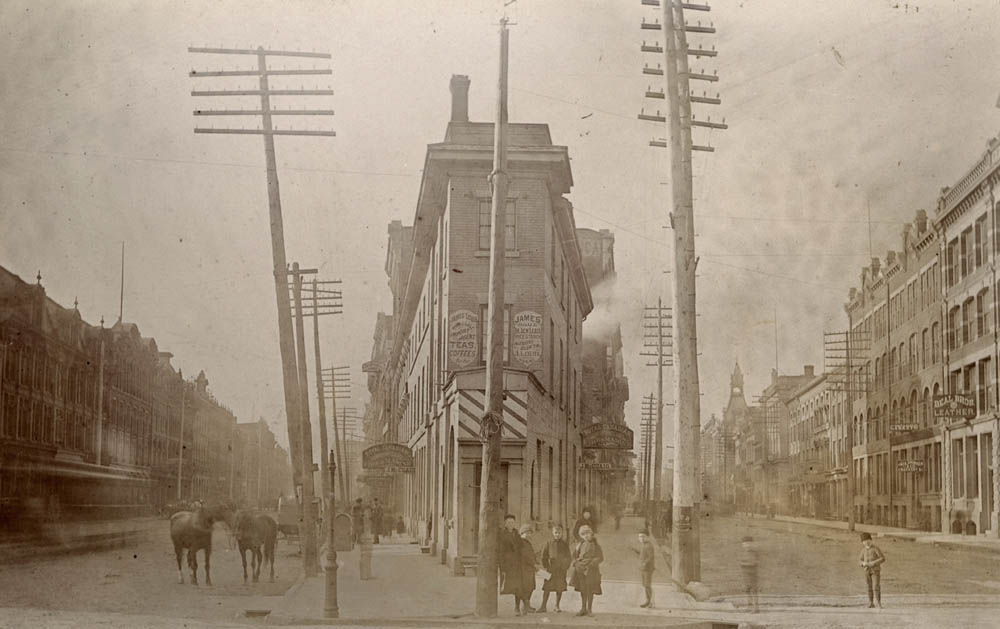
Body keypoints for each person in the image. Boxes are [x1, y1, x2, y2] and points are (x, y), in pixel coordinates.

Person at [570, 524, 603, 617]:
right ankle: (583, 608)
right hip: (580, 569)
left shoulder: (596, 546)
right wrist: (575, 563)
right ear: (581, 536)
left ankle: (589, 609)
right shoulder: (579, 545)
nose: (586, 536)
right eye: (583, 534)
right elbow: (574, 556)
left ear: (591, 534)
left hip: (591, 570)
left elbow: (600, 557)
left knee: (590, 589)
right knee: (582, 589)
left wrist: (593, 562)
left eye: (588, 533)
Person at [539, 525, 571, 613]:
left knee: (559, 588)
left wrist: (565, 566)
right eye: (556, 533)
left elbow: (568, 557)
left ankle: (557, 606)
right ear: (553, 533)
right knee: (547, 588)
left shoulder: (564, 544)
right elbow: (543, 556)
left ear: (562, 533)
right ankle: (543, 606)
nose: (557, 534)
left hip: (561, 570)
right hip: (551, 569)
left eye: (559, 533)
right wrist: (546, 566)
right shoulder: (548, 543)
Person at [510, 523, 538, 615]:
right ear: (522, 533)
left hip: (529, 569)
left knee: (530, 587)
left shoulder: (528, 543)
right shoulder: (520, 542)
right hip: (521, 569)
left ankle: (526, 606)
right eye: (527, 533)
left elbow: (530, 555)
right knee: (519, 588)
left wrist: (535, 560)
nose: (529, 535)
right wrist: (533, 563)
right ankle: (517, 608)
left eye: (530, 533)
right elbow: (524, 555)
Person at [859, 532, 885, 608]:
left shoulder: (875, 548)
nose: (866, 542)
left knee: (876, 586)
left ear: (871, 540)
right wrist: (862, 563)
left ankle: (878, 603)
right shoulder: (863, 550)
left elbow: (882, 558)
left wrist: (873, 563)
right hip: (867, 571)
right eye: (864, 541)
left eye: (868, 540)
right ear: (862, 542)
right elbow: (859, 560)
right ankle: (871, 603)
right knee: (868, 586)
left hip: (875, 570)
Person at [499, 515, 520, 602]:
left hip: (516, 560)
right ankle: (505, 590)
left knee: (517, 580)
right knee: (506, 578)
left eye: (512, 522)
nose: (511, 524)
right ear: (505, 524)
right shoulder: (502, 534)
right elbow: (501, 550)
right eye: (509, 522)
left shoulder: (516, 533)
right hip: (506, 559)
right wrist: (502, 564)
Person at [740, 535, 760, 613]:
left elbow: (754, 562)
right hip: (745, 574)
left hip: (752, 573)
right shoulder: (744, 553)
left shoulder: (754, 553)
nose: (746, 545)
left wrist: (744, 563)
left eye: (748, 544)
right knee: (746, 590)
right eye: (744, 544)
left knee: (753, 590)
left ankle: (756, 608)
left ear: (751, 544)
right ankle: (749, 606)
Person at [637, 531, 655, 608]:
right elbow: (643, 554)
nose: (641, 538)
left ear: (647, 537)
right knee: (645, 585)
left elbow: (651, 556)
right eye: (640, 537)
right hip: (643, 569)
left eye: (643, 536)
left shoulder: (649, 546)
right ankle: (648, 601)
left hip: (647, 569)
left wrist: (645, 562)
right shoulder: (644, 545)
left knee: (647, 585)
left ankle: (649, 601)